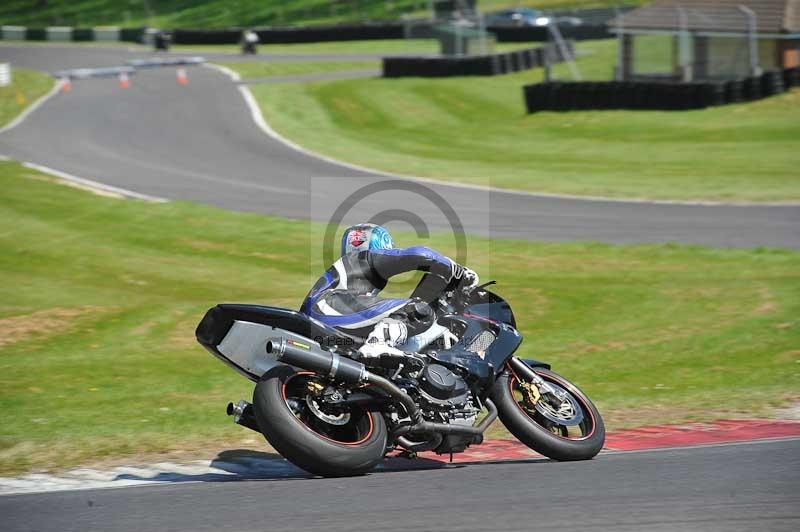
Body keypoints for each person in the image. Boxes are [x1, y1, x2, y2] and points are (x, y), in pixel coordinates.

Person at [300, 223, 478, 359]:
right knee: (418, 310)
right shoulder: (365, 259)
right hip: (330, 309)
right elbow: (422, 255)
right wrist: (457, 271)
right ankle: (378, 344)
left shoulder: (351, 273)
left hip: (324, 327)